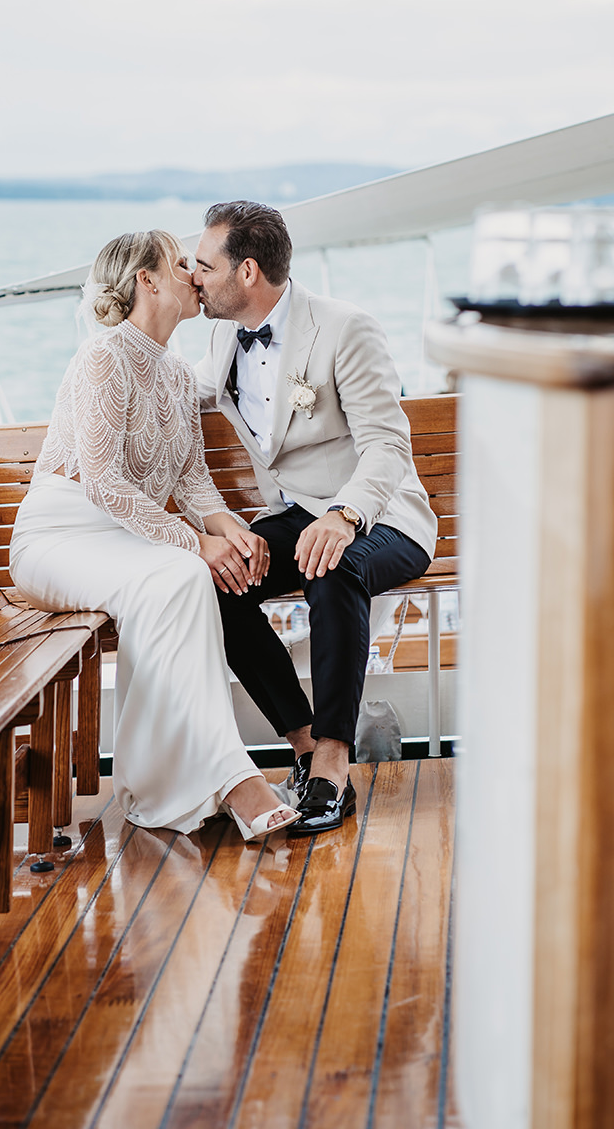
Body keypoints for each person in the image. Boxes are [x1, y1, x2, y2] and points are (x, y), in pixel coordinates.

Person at [9, 229, 300, 841]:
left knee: (188, 576)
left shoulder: (173, 373)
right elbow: (104, 484)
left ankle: (161, 778)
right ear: (147, 280)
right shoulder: (102, 357)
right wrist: (195, 543)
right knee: (183, 570)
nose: (197, 273)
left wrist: (232, 533)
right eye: (180, 264)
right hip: (58, 537)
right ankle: (234, 780)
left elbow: (193, 482)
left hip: (123, 539)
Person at [193, 202, 437, 835]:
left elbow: (387, 443)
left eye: (204, 265)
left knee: (331, 564)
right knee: (219, 579)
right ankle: (302, 745)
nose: (194, 277)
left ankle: (334, 765)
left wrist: (345, 515)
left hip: (385, 517)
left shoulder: (344, 328)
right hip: (298, 514)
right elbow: (187, 393)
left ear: (247, 272)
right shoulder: (222, 334)